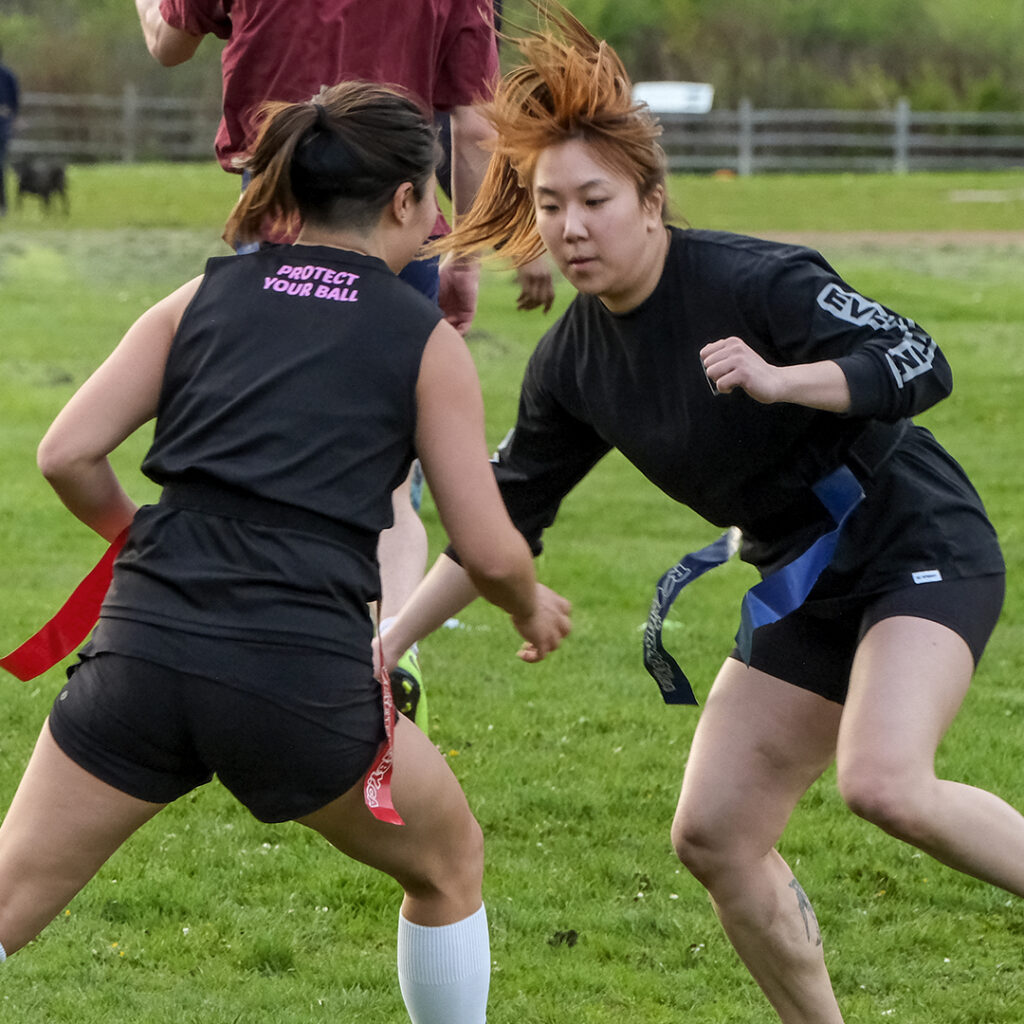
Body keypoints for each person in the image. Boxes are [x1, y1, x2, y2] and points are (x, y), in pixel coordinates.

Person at [376, 8, 1021, 1022]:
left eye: (594, 199)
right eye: (549, 205)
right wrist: (387, 642)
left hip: (912, 541)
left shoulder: (752, 279)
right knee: (714, 833)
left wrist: (783, 379)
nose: (571, 227)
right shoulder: (573, 359)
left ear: (650, 198)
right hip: (793, 573)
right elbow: (503, 521)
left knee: (885, 782)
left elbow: (916, 359)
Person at [0, 82, 571, 1024]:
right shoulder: (423, 339)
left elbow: (65, 454)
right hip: (294, 676)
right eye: (433, 192)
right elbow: (484, 542)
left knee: (10, 901)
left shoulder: (202, 296)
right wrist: (527, 603)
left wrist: (136, 536)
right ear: (403, 202)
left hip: (141, 649)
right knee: (448, 861)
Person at [134, 0, 556, 724]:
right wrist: (468, 251)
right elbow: (472, 124)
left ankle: (255, 641)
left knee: (269, 453)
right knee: (393, 479)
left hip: (275, 220)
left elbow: (169, 45)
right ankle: (390, 643)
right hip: (401, 223)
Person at [0, 45, 19, 217]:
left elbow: (14, 102)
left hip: (2, 124)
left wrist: (12, 120)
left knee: (0, 165)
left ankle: (2, 204)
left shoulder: (7, 76)